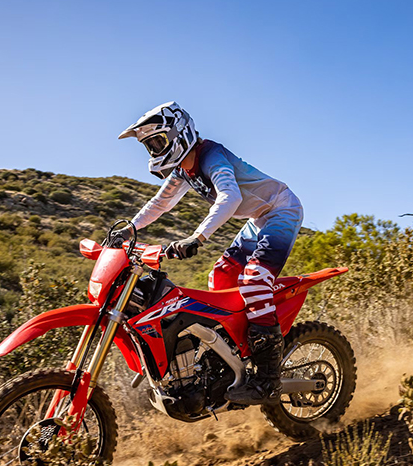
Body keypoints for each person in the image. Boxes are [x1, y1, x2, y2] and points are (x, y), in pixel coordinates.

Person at [118, 102, 304, 405]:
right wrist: (129, 231)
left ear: (178, 133)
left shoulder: (211, 155)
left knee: (255, 278)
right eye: (149, 145)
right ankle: (231, 358)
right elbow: (160, 203)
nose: (153, 150)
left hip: (281, 210)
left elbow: (230, 196)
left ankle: (268, 378)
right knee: (220, 275)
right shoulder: (184, 170)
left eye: (157, 142)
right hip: (258, 220)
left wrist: (197, 237)